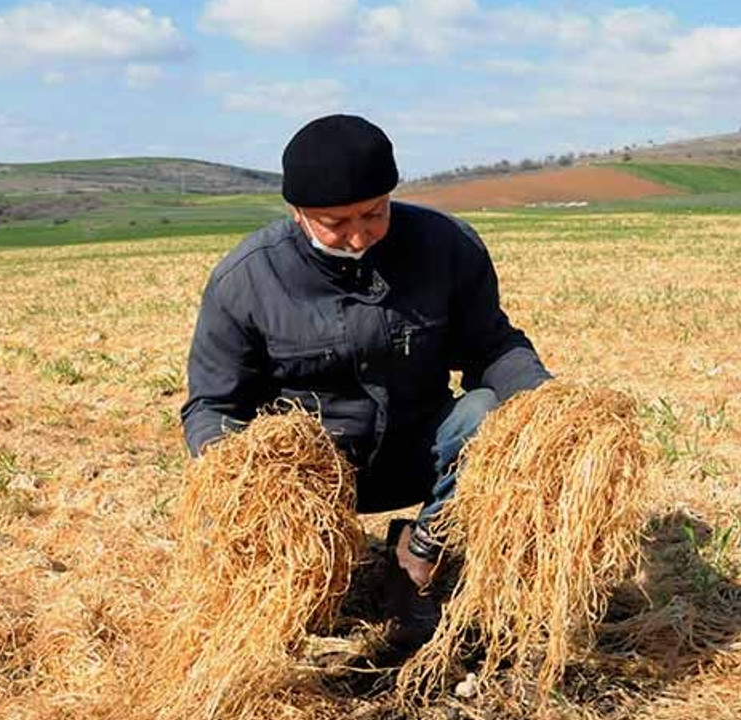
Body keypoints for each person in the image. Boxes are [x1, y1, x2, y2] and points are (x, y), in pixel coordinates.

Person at [180, 114, 551, 652]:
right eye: (335, 222)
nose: (358, 235)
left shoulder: (446, 246)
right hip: (312, 480)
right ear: (298, 213)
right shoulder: (247, 279)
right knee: (287, 614)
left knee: (494, 414)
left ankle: (418, 557)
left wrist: (546, 402)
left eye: (374, 213)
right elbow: (212, 405)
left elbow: (491, 346)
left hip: (417, 449)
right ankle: (307, 576)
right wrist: (242, 474)